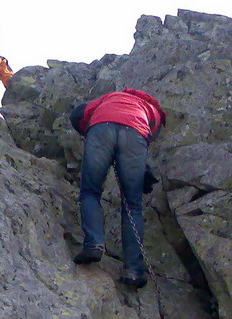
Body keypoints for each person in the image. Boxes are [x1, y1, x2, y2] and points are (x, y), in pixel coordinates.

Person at [70, 88, 166, 288]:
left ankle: (94, 244)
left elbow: (79, 112)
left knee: (90, 191)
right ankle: (133, 270)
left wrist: (86, 132)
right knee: (132, 205)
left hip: (100, 128)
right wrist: (142, 170)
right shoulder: (152, 110)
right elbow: (147, 136)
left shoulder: (110, 96)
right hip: (135, 136)